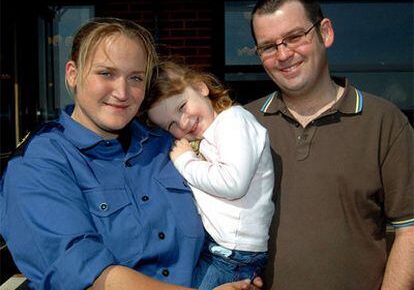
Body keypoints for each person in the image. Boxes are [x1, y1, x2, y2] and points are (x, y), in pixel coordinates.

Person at [0, 18, 262, 290]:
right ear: (72, 74)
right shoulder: (39, 163)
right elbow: (83, 274)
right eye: (106, 74)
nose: (122, 92)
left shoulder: (167, 144)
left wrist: (237, 275)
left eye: (135, 77)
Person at [245, 0, 414, 290]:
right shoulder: (242, 124)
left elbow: (409, 230)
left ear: (325, 32)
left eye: (295, 37)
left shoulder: (384, 122)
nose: (283, 55)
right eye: (268, 47)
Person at [142, 61, 275, 290]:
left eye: (182, 106)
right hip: (224, 249)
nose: (183, 122)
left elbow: (233, 183)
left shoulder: (234, 121)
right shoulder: (212, 134)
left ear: (201, 87)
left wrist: (185, 162)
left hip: (232, 254)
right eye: (171, 124)